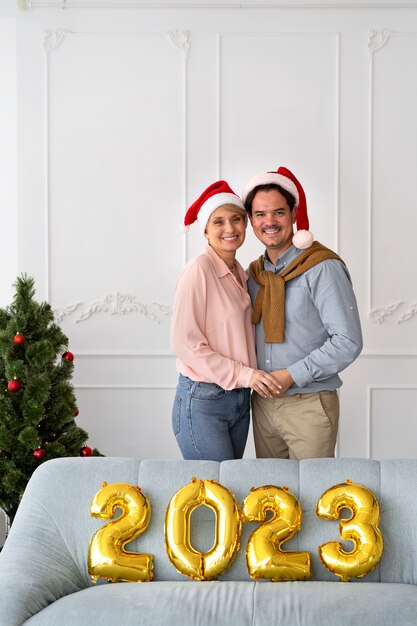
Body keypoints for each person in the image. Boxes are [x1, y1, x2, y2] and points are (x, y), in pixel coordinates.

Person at [242, 165, 363, 460]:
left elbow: (348, 341)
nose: (269, 222)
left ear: (294, 214)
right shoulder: (253, 274)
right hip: (262, 405)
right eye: (260, 214)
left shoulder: (322, 267)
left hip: (309, 405)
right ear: (251, 220)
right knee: (269, 500)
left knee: (312, 499)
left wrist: (292, 375)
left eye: (278, 212)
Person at [170, 180, 281, 461]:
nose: (229, 229)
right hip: (204, 400)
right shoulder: (199, 270)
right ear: (205, 231)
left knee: (233, 492)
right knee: (215, 496)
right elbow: (185, 344)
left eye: (236, 219)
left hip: (240, 399)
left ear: (245, 224)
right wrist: (248, 375)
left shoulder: (241, 274)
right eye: (218, 222)